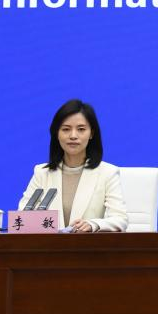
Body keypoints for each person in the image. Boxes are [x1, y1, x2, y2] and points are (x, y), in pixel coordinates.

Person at [18, 99, 128, 232]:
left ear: (91, 133)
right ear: (57, 134)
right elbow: (22, 218)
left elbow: (120, 219)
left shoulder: (108, 173)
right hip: (49, 244)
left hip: (87, 244)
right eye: (66, 129)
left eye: (81, 129)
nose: (73, 136)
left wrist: (93, 225)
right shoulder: (42, 173)